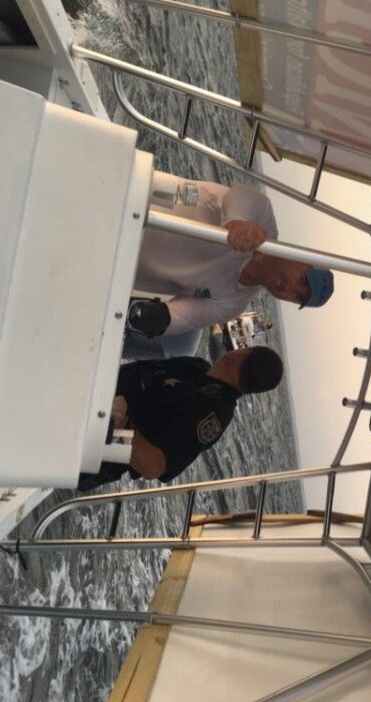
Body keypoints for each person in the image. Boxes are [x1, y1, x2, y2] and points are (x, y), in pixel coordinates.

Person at [127, 176, 334, 340]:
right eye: (302, 280)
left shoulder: (233, 304)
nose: (290, 288)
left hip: (124, 258)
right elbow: (240, 196)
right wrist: (236, 222)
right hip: (133, 196)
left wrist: (161, 319)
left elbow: (183, 318)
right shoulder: (262, 216)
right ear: (301, 258)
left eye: (297, 296)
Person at [78, 346, 283, 491]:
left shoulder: (213, 414)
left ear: (242, 353)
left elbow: (153, 465)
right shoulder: (198, 367)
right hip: (86, 396)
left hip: (91, 445)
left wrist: (121, 428)